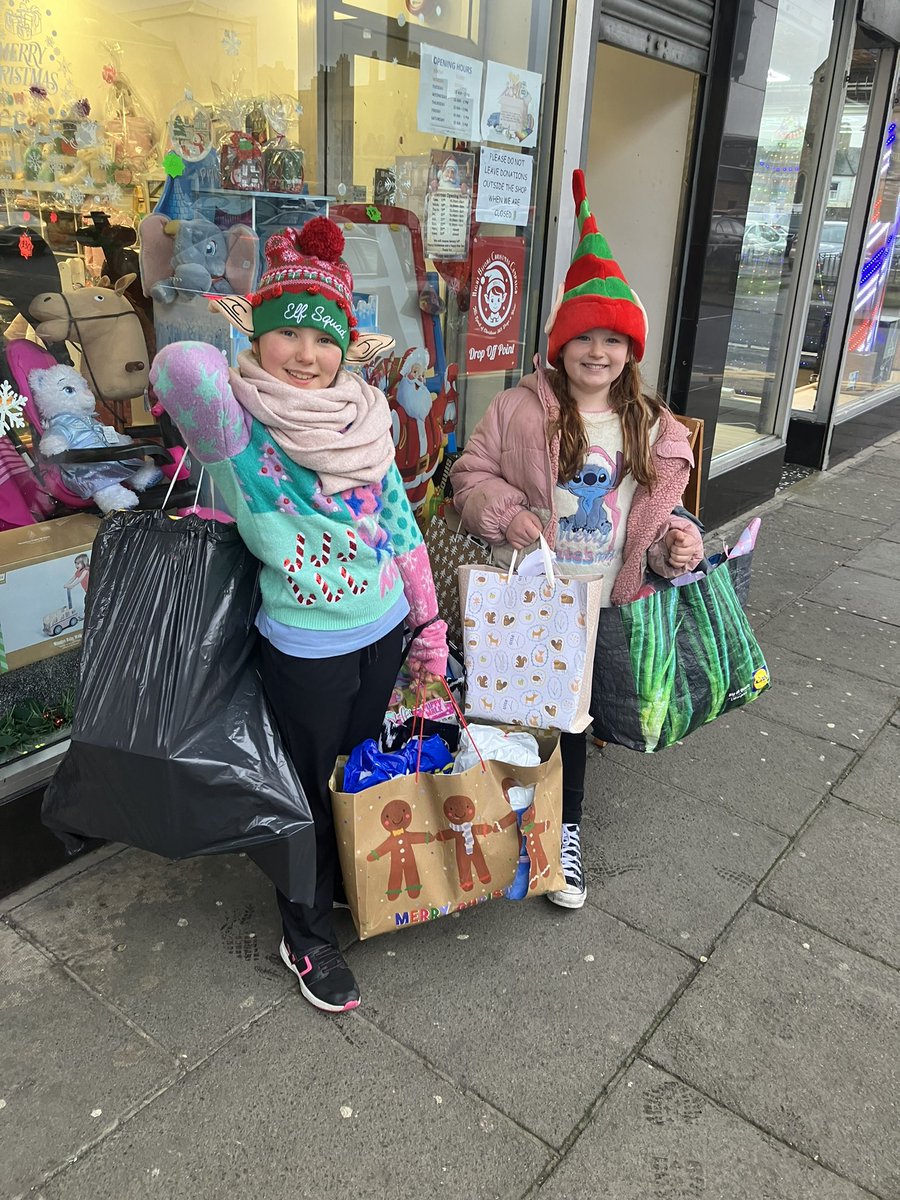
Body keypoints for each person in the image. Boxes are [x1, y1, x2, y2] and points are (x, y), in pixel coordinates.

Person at [149, 217, 448, 1014]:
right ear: (260, 338)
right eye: (286, 335)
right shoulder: (238, 429)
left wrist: (427, 624)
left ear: (348, 348)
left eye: (323, 340)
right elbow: (182, 368)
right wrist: (219, 308)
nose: (306, 356)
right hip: (306, 646)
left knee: (351, 776)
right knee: (302, 794)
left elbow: (401, 524)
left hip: (382, 626)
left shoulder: (367, 417)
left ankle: (343, 887)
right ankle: (303, 931)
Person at [450, 170, 704, 911]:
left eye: (613, 340)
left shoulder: (648, 422)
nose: (598, 352)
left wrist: (672, 548)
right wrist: (505, 511)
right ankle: (503, 825)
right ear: (560, 346)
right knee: (513, 713)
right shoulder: (516, 409)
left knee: (572, 718)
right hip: (531, 593)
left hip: (602, 603)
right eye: (583, 338)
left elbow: (655, 513)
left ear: (631, 350)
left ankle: (563, 835)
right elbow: (468, 478)